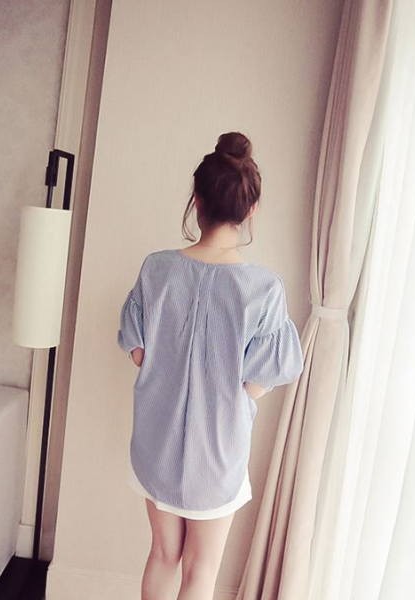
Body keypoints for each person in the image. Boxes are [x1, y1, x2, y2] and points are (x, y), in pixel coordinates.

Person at [117, 131, 304, 600]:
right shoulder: (264, 288)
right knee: (201, 572)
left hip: (156, 445)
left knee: (162, 554)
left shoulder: (157, 268)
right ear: (251, 209)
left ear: (196, 199)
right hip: (218, 453)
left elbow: (138, 353)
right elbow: (262, 378)